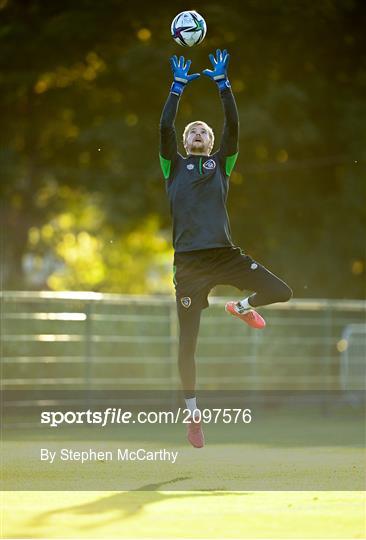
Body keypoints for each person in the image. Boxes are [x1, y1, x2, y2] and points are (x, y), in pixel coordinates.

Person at [159, 50, 292, 448]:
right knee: (187, 346)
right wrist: (177, 88)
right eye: (192, 132)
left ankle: (243, 306)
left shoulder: (223, 165)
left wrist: (223, 85)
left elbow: (233, 124)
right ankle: (194, 417)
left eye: (204, 132)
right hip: (189, 266)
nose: (198, 133)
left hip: (224, 255)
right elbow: (164, 125)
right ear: (184, 143)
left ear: (213, 143)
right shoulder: (173, 167)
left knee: (280, 292)